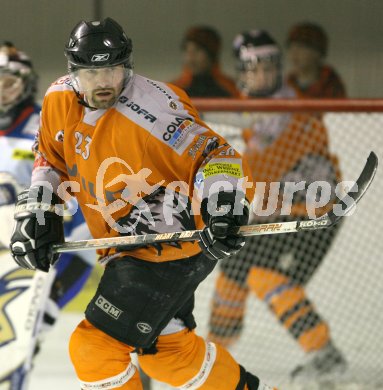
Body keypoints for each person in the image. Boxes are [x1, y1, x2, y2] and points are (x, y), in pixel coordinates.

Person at [9, 18, 278, 390]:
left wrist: (224, 203)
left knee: (94, 347)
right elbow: (50, 159)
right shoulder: (57, 100)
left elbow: (218, 155)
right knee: (171, 356)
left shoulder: (155, 110)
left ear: (127, 66)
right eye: (92, 72)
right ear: (74, 73)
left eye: (112, 69)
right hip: (127, 245)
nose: (103, 81)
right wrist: (41, 209)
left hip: (170, 246)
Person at [207, 29, 347, 384]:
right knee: (232, 273)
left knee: (267, 277)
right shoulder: (242, 107)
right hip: (277, 214)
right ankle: (212, 355)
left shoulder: (289, 105)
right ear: (241, 71)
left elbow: (262, 167)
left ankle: (324, 354)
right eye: (254, 66)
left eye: (269, 64)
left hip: (315, 213)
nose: (262, 73)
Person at [0, 42, 95, 389]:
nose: (0, 92)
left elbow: (79, 193)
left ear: (26, 83)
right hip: (5, 256)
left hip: (46, 255)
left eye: (7, 82)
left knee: (18, 348)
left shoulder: (48, 125)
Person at [170, 25, 240, 97]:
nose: (190, 58)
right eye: (187, 51)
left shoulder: (232, 90)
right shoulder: (173, 90)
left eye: (197, 50)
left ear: (211, 55)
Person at [285, 22, 347, 98]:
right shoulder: (287, 84)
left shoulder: (331, 84)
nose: (294, 53)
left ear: (317, 52)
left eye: (301, 47)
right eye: (291, 48)